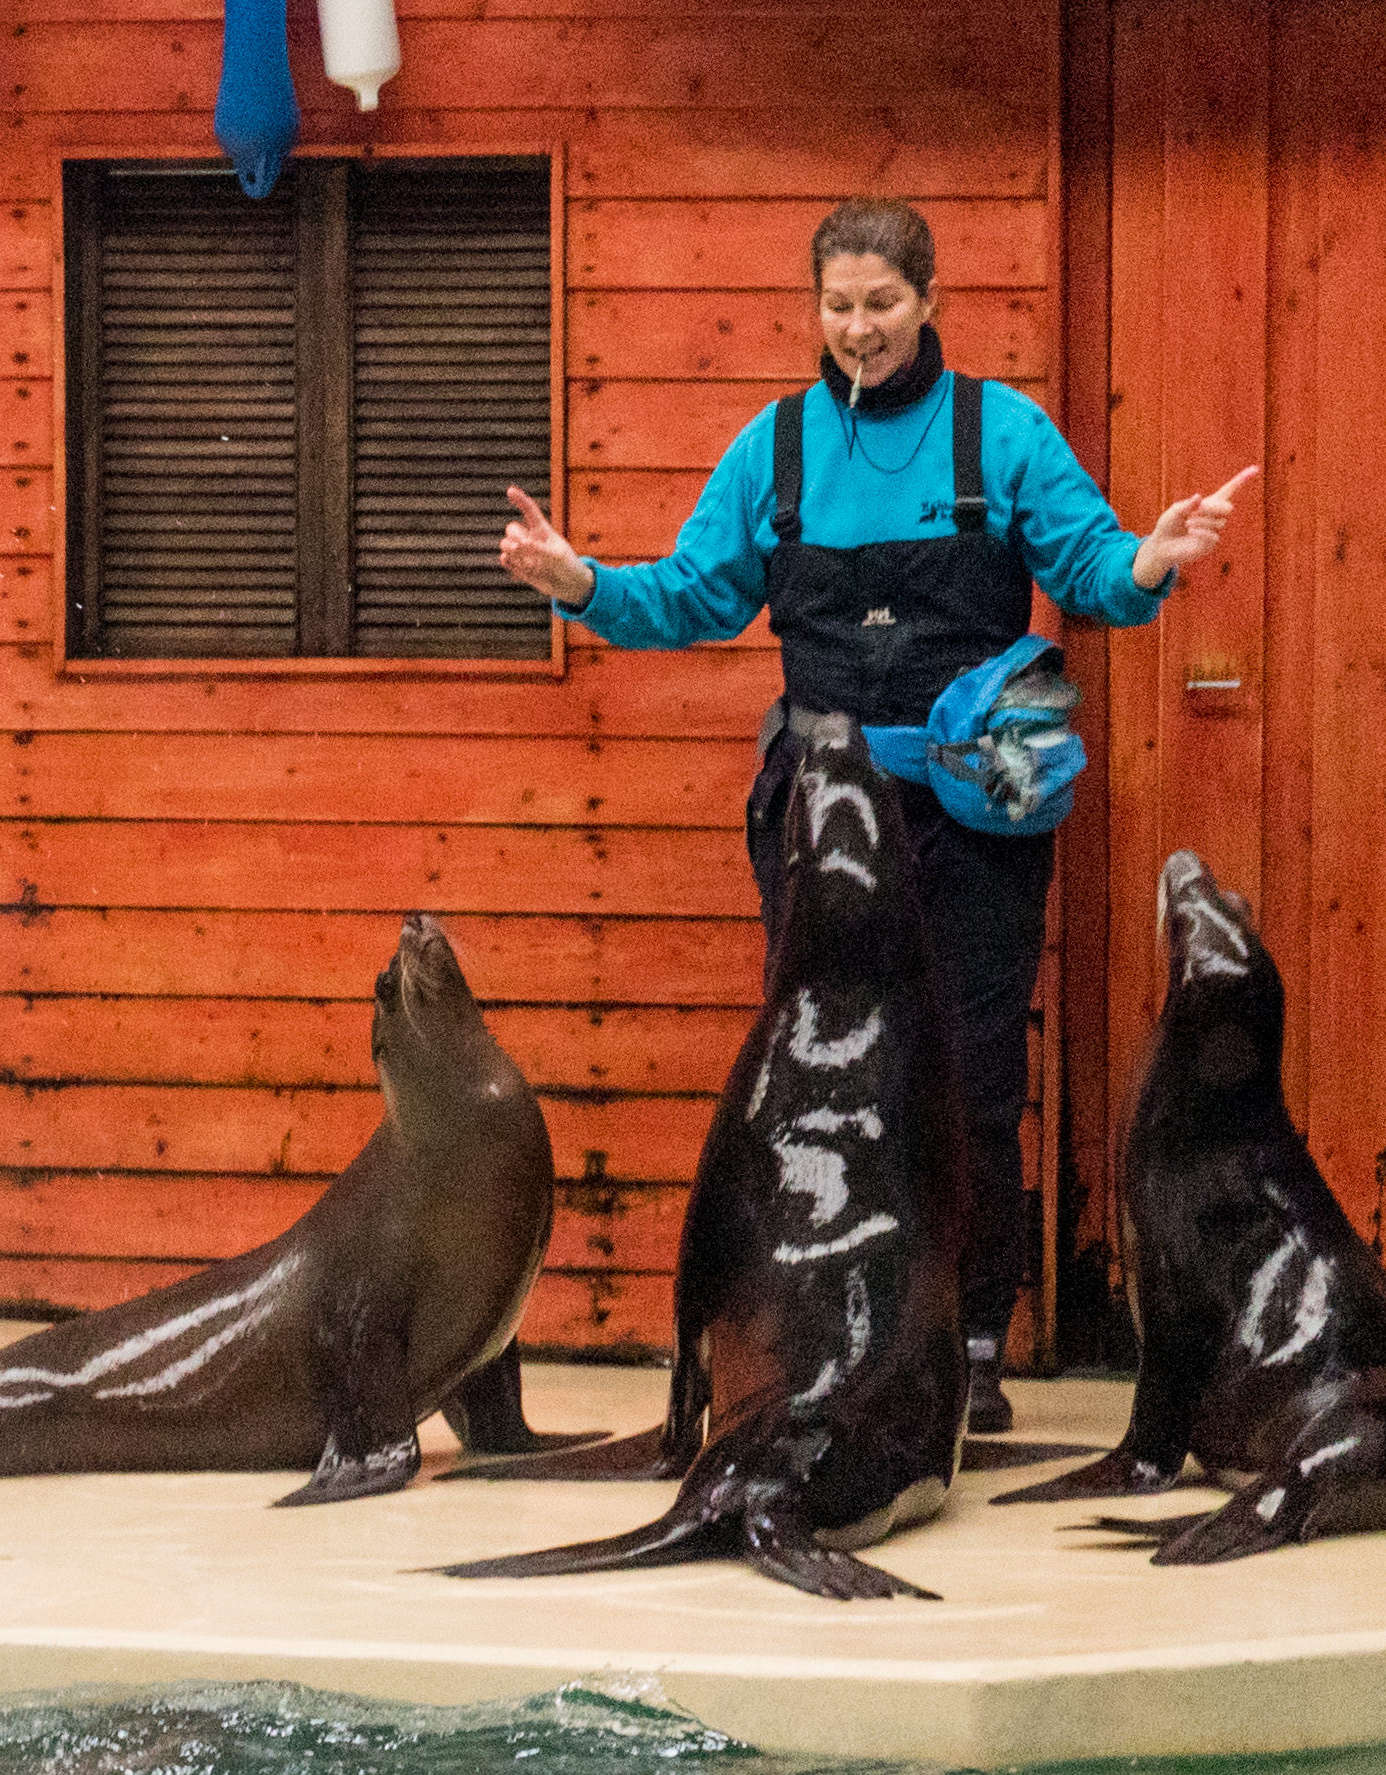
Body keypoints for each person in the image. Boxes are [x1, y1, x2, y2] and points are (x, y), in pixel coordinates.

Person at [490, 197, 1252, 1427]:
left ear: (930, 299)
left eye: (883, 303)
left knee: (974, 1074)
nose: (860, 328)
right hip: (822, 810)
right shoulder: (776, 448)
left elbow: (1094, 572)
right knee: (826, 1068)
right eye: (839, 305)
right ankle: (832, 1330)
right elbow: (690, 596)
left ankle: (970, 1341)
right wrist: (580, 583)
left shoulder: (1001, 434)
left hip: (974, 818)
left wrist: (1152, 558)